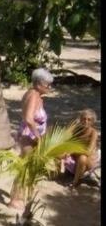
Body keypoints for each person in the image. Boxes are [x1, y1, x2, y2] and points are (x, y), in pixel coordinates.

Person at [10, 68, 54, 209]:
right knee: (24, 167)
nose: (50, 87)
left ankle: (22, 194)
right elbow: (28, 119)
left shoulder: (36, 95)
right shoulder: (34, 96)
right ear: (39, 83)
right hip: (28, 137)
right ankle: (15, 199)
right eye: (48, 84)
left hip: (31, 137)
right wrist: (38, 136)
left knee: (28, 167)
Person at [63, 109, 99, 188]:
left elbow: (88, 151)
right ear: (80, 119)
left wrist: (72, 151)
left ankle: (75, 182)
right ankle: (57, 174)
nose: (86, 121)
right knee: (60, 153)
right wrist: (73, 126)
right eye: (84, 119)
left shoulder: (93, 133)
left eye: (89, 120)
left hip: (88, 158)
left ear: (92, 122)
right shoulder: (77, 130)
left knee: (82, 158)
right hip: (76, 155)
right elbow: (65, 136)